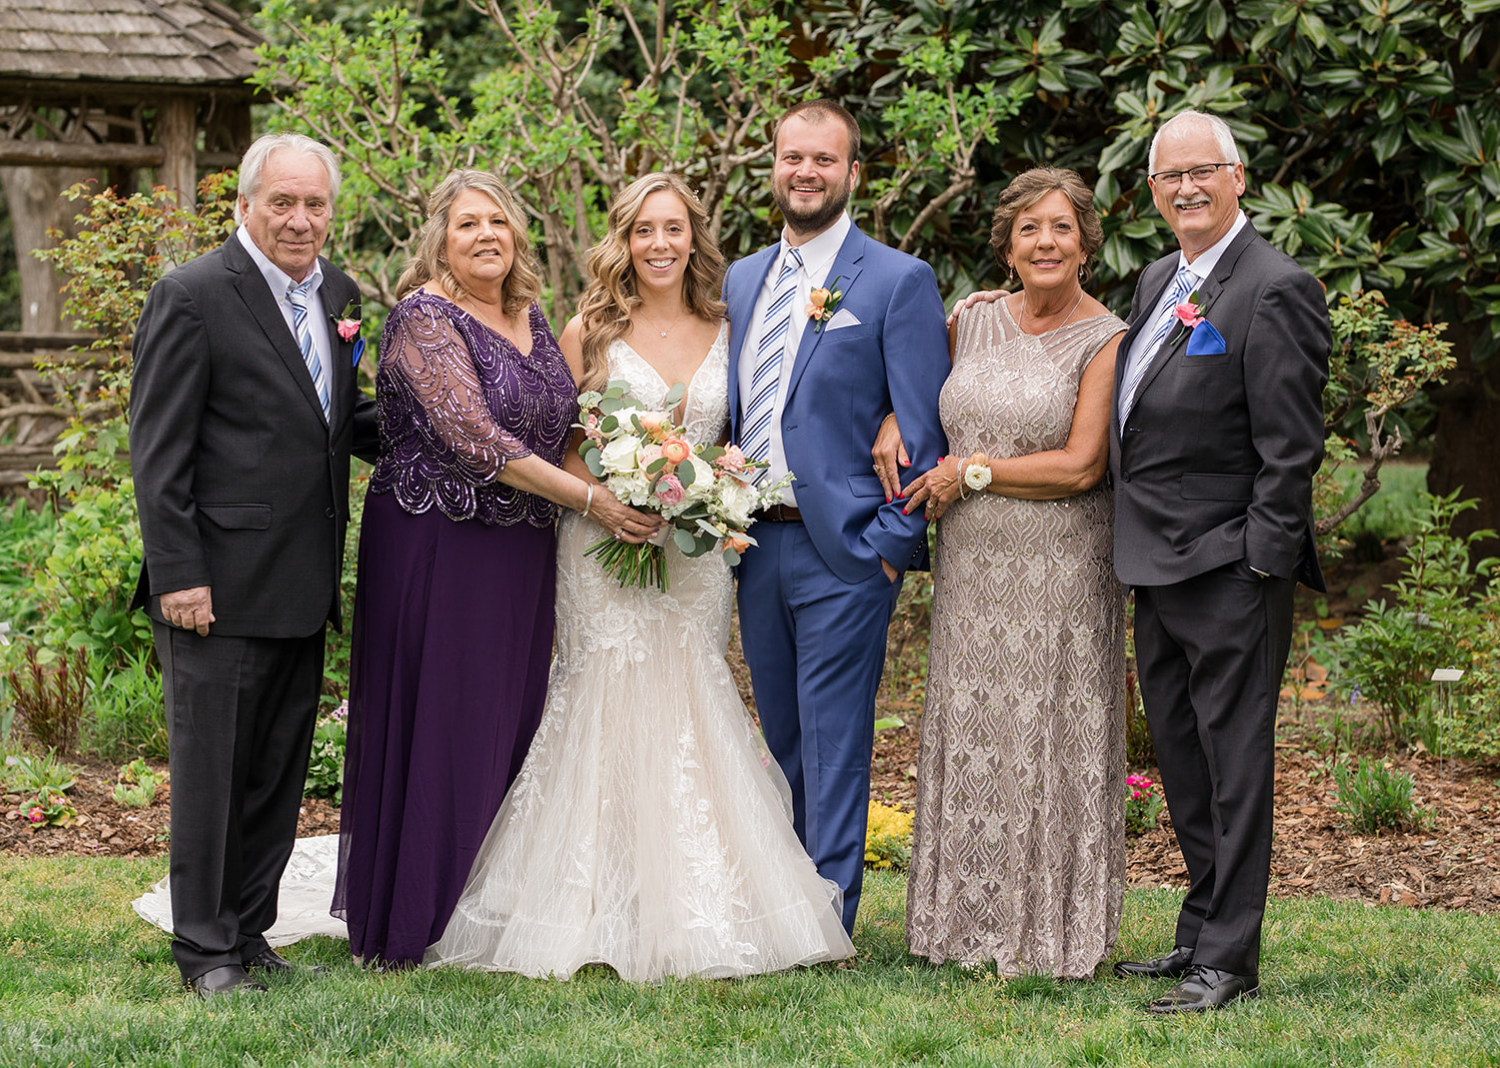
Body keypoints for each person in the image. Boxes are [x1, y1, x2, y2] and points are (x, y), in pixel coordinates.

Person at [426, 172, 852, 980]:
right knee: (601, 695)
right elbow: (559, 440)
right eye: (643, 231)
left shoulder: (735, 325)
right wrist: (616, 496)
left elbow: (768, 423)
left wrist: (704, 499)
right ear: (621, 241)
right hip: (600, 547)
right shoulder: (588, 329)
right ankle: (583, 906)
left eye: (673, 229)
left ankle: (702, 903)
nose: (659, 245)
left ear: (694, 237)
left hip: (695, 556)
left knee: (693, 697)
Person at [332, 170, 658, 969]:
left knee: (507, 717)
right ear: (441, 237)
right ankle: (414, 918)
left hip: (520, 548)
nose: (487, 236)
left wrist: (652, 465)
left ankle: (488, 909)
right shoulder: (422, 318)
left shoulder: (532, 317)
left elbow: (565, 419)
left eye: (500, 223)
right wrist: (595, 503)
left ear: (517, 237)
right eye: (469, 223)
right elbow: (479, 440)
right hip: (436, 543)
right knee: (442, 720)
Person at [130, 132, 377, 998]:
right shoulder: (192, 294)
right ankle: (204, 951)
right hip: (217, 587)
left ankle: (249, 929)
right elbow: (158, 455)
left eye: (315, 205)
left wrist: (465, 430)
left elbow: (338, 422)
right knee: (211, 775)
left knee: (275, 771)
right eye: (283, 203)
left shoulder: (339, 294)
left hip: (301, 580)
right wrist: (178, 575)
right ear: (244, 205)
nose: (300, 220)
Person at [880, 168, 1129, 977]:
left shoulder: (1107, 339)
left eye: (1061, 228)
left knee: (1044, 731)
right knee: (976, 724)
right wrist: (892, 418)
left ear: (1086, 242)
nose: (1046, 243)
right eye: (1030, 230)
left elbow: (1083, 465)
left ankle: (1050, 933)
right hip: (973, 569)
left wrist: (970, 472)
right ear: (1008, 245)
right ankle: (959, 925)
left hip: (1059, 567)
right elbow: (921, 396)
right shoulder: (972, 317)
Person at [1108, 111, 1328, 1013]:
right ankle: (1198, 929)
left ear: (1240, 176)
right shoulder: (1164, 277)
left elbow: (1292, 447)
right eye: (1169, 177)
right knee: (1186, 763)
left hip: (1230, 569)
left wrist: (1259, 566)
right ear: (1153, 192)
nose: (1186, 188)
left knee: (1236, 768)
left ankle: (1229, 961)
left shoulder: (1275, 286)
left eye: (1203, 171)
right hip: (1153, 563)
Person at [725, 101, 950, 935]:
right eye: (792, 157)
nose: (805, 172)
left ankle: (825, 921)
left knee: (833, 742)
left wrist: (889, 546)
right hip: (753, 542)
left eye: (824, 159)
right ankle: (784, 904)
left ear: (853, 173)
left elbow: (922, 426)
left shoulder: (896, 279)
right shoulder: (742, 279)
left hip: (846, 551)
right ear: (774, 167)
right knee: (780, 738)